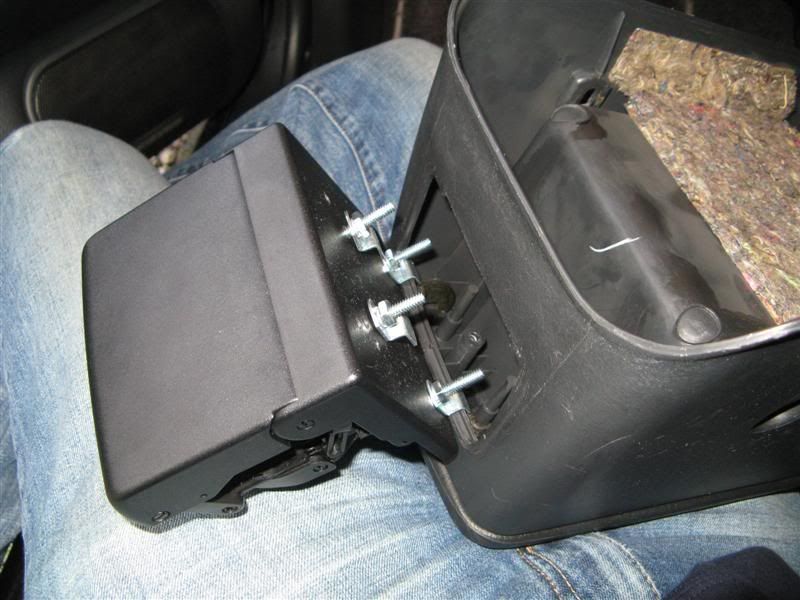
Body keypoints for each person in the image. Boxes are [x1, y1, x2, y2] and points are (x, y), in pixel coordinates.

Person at [1, 38, 798, 599]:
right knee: (405, 67)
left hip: (673, 525)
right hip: (529, 337)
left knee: (48, 158)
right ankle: (217, 240)